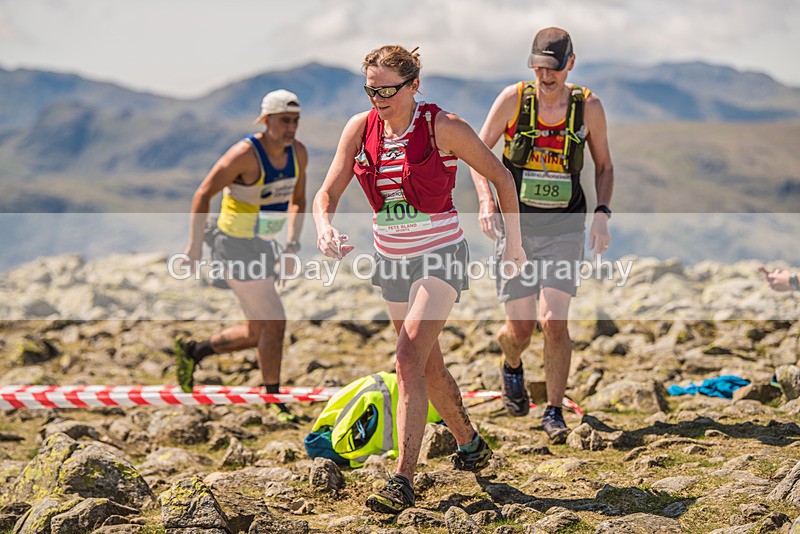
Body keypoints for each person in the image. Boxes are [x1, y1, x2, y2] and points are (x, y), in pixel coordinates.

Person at [313, 45, 526, 514]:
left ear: (413, 86)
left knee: (407, 354)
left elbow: (502, 177)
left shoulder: (442, 126)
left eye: (388, 89)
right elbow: (326, 191)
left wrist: (513, 244)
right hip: (392, 262)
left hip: (441, 256)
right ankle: (469, 442)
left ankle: (402, 479)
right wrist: (324, 227)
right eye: (371, 89)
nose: (379, 98)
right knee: (427, 365)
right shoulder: (359, 128)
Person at [470, 27, 615, 443]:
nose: (545, 76)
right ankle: (511, 365)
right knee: (520, 329)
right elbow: (478, 156)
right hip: (516, 227)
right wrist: (485, 202)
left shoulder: (588, 106)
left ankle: (553, 410)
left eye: (552, 68)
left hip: (566, 226)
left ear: (570, 63)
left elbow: (604, 166)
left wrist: (602, 214)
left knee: (554, 321)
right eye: (537, 67)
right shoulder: (514, 99)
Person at [175, 89, 307, 423]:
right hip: (233, 245)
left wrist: (291, 245)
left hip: (265, 246)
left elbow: (298, 201)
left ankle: (194, 351)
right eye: (284, 121)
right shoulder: (245, 154)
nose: (291, 128)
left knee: (255, 331)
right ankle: (273, 399)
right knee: (275, 321)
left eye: (295, 121)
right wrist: (194, 246)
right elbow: (203, 193)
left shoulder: (299, 154)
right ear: (266, 121)